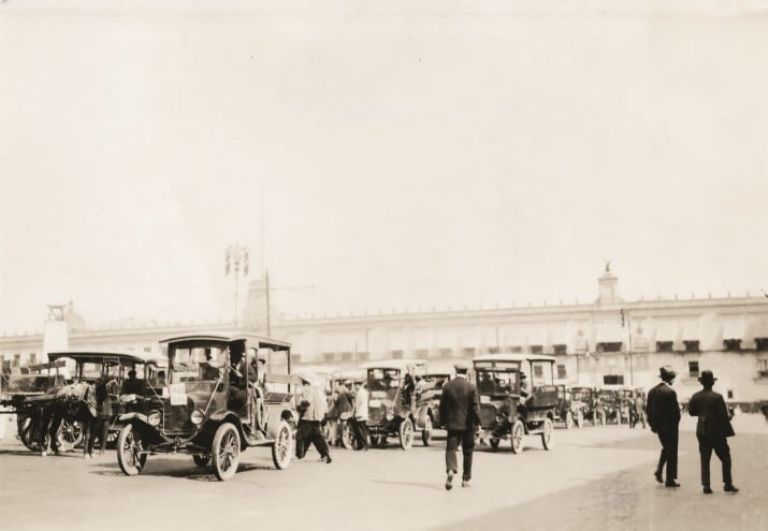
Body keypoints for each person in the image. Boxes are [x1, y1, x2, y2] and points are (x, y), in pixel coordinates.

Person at [688, 370, 738, 494]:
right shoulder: (717, 397)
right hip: (716, 432)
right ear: (712, 383)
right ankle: (727, 484)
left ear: (701, 383)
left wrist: (703, 414)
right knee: (725, 457)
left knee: (705, 458)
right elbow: (723, 416)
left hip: (702, 430)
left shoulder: (695, 396)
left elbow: (691, 412)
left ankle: (706, 486)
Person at [438, 362, 481, 490]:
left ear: (456, 371)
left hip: (453, 425)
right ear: (466, 372)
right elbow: (476, 408)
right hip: (468, 426)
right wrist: (478, 423)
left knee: (451, 449)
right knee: (468, 452)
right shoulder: (472, 387)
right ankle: (466, 479)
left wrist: (443, 422)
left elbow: (442, 407)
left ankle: (451, 469)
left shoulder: (447, 386)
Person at [646, 366, 681, 487]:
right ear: (670, 378)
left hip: (659, 427)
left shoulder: (652, 391)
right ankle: (670, 479)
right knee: (672, 450)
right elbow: (676, 412)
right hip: (670, 426)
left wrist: (652, 425)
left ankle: (659, 470)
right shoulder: (670, 392)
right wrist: (676, 424)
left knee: (666, 448)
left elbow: (649, 410)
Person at [296, 376, 332, 463]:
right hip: (317, 417)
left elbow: (307, 401)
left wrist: (299, 405)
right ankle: (325, 454)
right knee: (316, 436)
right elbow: (324, 404)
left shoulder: (307, 389)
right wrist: (324, 415)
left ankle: (300, 455)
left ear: (305, 381)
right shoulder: (318, 391)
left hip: (308, 417)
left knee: (300, 436)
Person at [351, 381, 370, 450]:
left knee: (362, 431)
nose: (355, 387)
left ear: (358, 385)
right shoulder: (364, 392)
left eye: (356, 385)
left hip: (361, 414)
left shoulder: (361, 393)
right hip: (363, 413)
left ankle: (364, 445)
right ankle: (362, 445)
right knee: (362, 430)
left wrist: (357, 413)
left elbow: (359, 404)